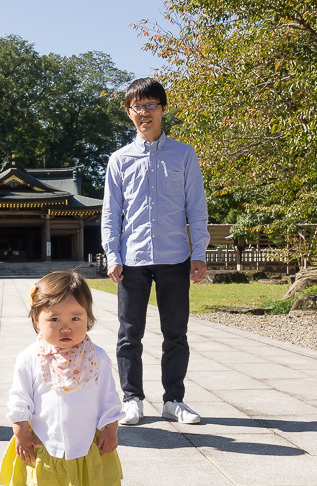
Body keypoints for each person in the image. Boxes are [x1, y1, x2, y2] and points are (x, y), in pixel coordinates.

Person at [101, 77, 210, 426]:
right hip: (131, 258)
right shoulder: (119, 159)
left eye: (150, 105)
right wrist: (112, 254)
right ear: (129, 113)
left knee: (175, 333)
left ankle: (173, 400)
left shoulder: (184, 153)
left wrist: (200, 251)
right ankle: (132, 398)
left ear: (163, 109)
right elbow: (110, 211)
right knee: (129, 333)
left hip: (175, 255)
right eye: (137, 106)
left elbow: (196, 206)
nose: (144, 112)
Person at [0, 271, 125, 486]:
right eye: (54, 319)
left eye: (75, 318)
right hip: (40, 441)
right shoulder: (30, 357)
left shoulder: (97, 357)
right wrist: (21, 430)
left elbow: (108, 397)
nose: (65, 327)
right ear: (36, 320)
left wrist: (111, 428)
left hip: (87, 442)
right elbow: (19, 397)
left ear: (88, 318)